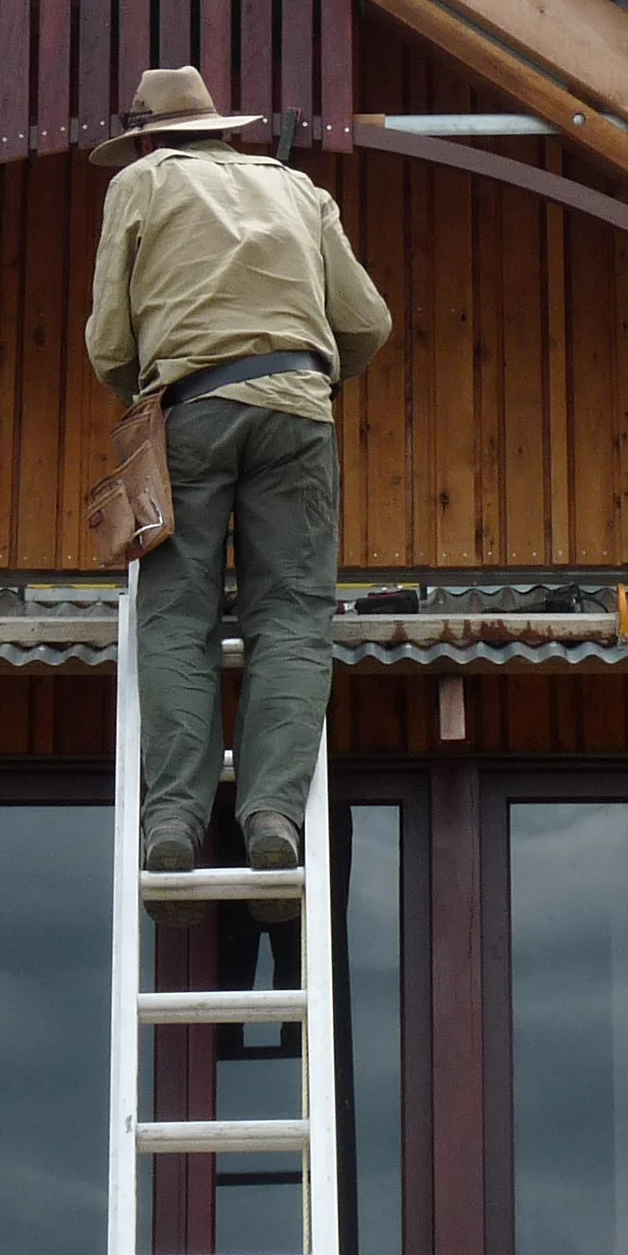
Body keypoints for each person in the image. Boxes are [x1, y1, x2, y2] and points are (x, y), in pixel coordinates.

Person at [85, 66, 391, 902]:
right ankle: (272, 820)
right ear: (222, 128)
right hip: (299, 409)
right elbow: (368, 323)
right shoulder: (300, 189)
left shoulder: (140, 184)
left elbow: (111, 341)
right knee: (291, 618)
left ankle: (176, 820)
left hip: (188, 411)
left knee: (178, 615)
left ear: (150, 137)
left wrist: (151, 385)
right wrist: (310, 379)